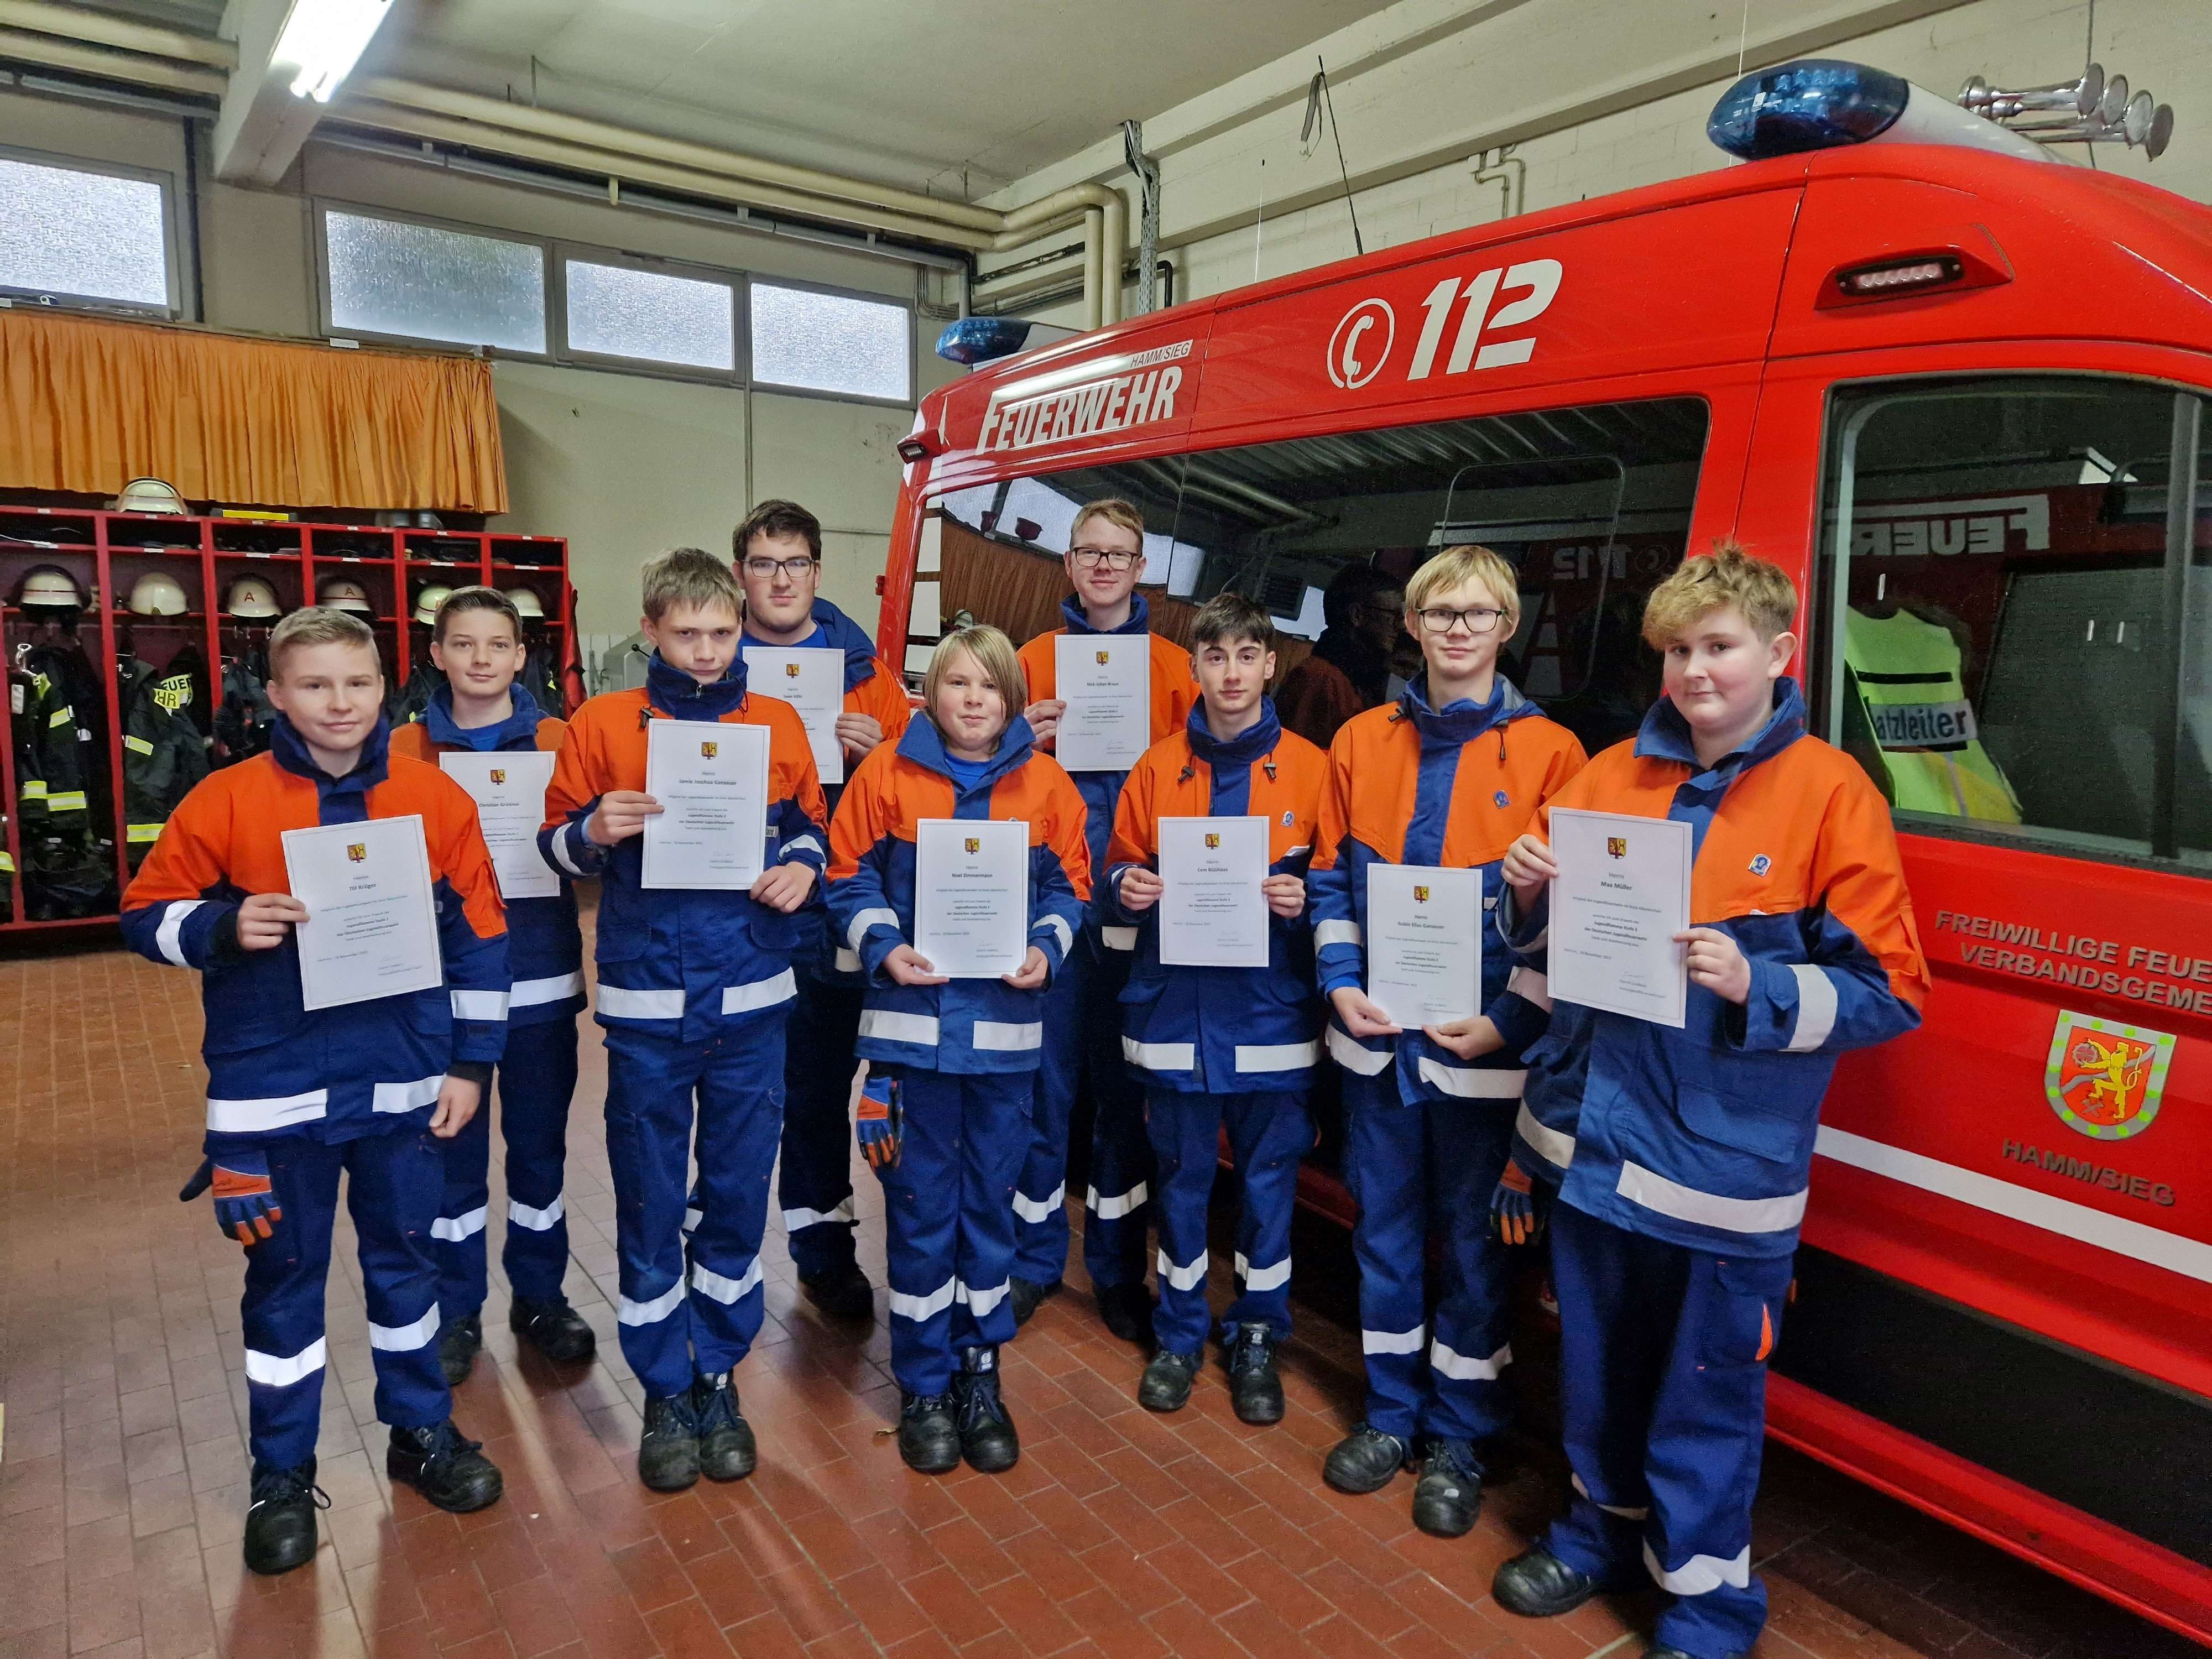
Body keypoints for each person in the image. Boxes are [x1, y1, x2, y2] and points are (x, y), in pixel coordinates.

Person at [1489, 545, 1929, 1659]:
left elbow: (1891, 992)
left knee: (1706, 1397)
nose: (1693, 671)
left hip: (1720, 1177)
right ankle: (1592, 1537)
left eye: (1719, 647)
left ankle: (1703, 1604)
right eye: (1677, 649)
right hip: (1592, 1153)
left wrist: (1757, 984)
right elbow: (1545, 963)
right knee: (1593, 1371)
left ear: (1779, 653)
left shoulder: (1831, 793)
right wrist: (1523, 898)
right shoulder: (1604, 777)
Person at [121, 606, 510, 1576]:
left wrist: (472, 1063)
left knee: (407, 1266)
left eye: (358, 682)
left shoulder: (435, 800)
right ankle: (283, 1474)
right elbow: (143, 913)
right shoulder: (225, 800)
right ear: (277, 695)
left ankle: (420, 1430)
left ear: (386, 688)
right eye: (315, 684)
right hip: (275, 1098)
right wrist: (218, 927)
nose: (340, 703)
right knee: (284, 1285)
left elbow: (481, 935)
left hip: (404, 1085)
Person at [1308, 544, 1588, 1538]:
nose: (1456, 629)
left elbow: (1572, 927)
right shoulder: (1358, 741)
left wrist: (1507, 1024)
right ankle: (1390, 1415)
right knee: (1382, 1237)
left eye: (1476, 614)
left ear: (1506, 627)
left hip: (1482, 1062)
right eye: (1438, 613)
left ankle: (1462, 1433)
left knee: (1475, 1256)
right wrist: (1341, 986)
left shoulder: (1556, 755)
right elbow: (1331, 885)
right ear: (1413, 627)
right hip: (1379, 1051)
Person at [539, 547, 826, 1493]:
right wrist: (593, 832)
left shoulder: (777, 722)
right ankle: (666, 1385)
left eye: (722, 632)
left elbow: (810, 825)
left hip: (751, 999)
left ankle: (718, 1373)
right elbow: (553, 844)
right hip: (650, 1006)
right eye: (687, 632)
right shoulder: (601, 723)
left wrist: (804, 867)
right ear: (651, 629)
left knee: (738, 1194)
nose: (706, 651)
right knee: (652, 1197)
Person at [826, 625, 1090, 1474]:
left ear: (1013, 700)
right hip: (913, 1044)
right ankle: (925, 1385)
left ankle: (981, 1371)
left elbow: (1071, 887)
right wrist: (883, 944)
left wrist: (1046, 948)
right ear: (931, 693)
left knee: (988, 1212)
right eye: (957, 683)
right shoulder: (884, 775)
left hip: (1006, 1045)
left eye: (990, 686)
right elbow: (845, 875)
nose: (974, 700)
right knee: (919, 1212)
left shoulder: (1048, 784)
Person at [1100, 592, 1327, 1423]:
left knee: (1268, 1190)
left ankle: (1258, 1336)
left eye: (1247, 655)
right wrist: (1126, 887)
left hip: (1270, 1020)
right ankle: (1179, 1334)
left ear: (1271, 665)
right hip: (1174, 1019)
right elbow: (1114, 871)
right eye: (1216, 656)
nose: (1231, 673)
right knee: (1182, 1185)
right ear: (1193, 667)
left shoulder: (1314, 770)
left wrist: (1304, 898)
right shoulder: (1156, 768)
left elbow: (1340, 885)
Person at [389, 587, 596, 1381]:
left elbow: (586, 845)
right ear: (435, 654)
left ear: (521, 656)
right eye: (463, 644)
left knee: (539, 1154)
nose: (481, 659)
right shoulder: (403, 747)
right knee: (450, 1160)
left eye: (498, 645)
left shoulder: (559, 740)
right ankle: (456, 1307)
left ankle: (540, 1297)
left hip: (541, 982)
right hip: (439, 996)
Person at [1013, 498, 1196, 1340]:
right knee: (1045, 1088)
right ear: (1069, 563)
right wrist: (1018, 740)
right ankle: (1033, 1260)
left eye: (1119, 554)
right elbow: (976, 774)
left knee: (1123, 1100)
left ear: (1141, 566)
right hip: (1050, 904)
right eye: (1089, 552)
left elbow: (1199, 786)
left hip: (1136, 909)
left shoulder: (1176, 670)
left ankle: (1119, 1273)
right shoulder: (1030, 662)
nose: (1104, 566)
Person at [735, 498, 913, 1321]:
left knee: (830, 1082)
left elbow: (921, 790)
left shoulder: (868, 674)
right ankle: (736, 1248)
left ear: (817, 571)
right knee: (755, 1091)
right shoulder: (716, 658)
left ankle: (833, 1247)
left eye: (796, 563)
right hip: (749, 909)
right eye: (764, 564)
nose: (781, 580)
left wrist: (884, 756)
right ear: (741, 574)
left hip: (842, 906)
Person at [1275, 561, 1405, 751]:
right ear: (1357, 615)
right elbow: (1296, 757)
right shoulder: (1320, 678)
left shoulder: (1357, 680)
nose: (1400, 626)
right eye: (1393, 615)